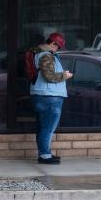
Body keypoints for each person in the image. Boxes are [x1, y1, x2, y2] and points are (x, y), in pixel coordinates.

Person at [30, 33, 73, 164]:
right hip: (49, 97)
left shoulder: (39, 54)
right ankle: (45, 156)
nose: (57, 49)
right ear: (52, 44)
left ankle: (45, 153)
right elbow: (49, 76)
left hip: (42, 96)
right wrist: (64, 76)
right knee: (48, 128)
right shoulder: (46, 55)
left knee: (43, 128)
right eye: (58, 46)